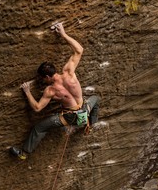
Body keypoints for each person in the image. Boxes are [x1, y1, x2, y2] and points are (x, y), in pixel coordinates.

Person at [10, 23, 99, 160]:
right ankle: (91, 124)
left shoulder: (50, 90)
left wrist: (27, 91)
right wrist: (63, 34)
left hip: (71, 118)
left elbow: (37, 108)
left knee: (39, 127)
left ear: (47, 77)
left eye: (42, 78)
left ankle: (24, 153)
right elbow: (79, 50)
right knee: (96, 99)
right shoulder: (69, 71)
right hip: (85, 110)